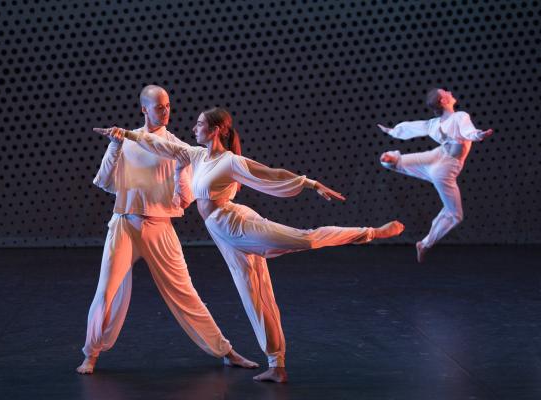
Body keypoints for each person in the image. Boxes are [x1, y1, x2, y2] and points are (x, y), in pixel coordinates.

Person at [94, 107, 404, 382]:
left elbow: (270, 173)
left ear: (216, 130)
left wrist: (309, 183)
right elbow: (160, 145)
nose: (193, 128)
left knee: (304, 238)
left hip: (237, 224)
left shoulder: (231, 162)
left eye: (200, 124)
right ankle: (277, 365)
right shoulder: (197, 155)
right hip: (222, 235)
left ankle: (370, 232)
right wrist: (126, 135)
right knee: (254, 295)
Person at [77, 86, 257, 374]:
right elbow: (105, 182)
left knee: (185, 292)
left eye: (168, 106)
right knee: (106, 291)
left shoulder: (176, 147)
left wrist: (179, 171)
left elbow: (184, 200)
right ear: (144, 109)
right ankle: (91, 354)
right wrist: (114, 145)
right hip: (124, 224)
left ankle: (226, 350)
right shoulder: (127, 140)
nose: (165, 111)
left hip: (160, 227)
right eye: (159, 107)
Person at [378, 88, 493, 262]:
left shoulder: (434, 124)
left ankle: (391, 160)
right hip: (444, 169)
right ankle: (425, 244)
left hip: (437, 157)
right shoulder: (460, 116)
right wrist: (478, 135)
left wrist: (393, 131)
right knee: (455, 214)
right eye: (445, 92)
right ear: (443, 101)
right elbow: (467, 131)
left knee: (410, 162)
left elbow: (414, 127)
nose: (449, 92)